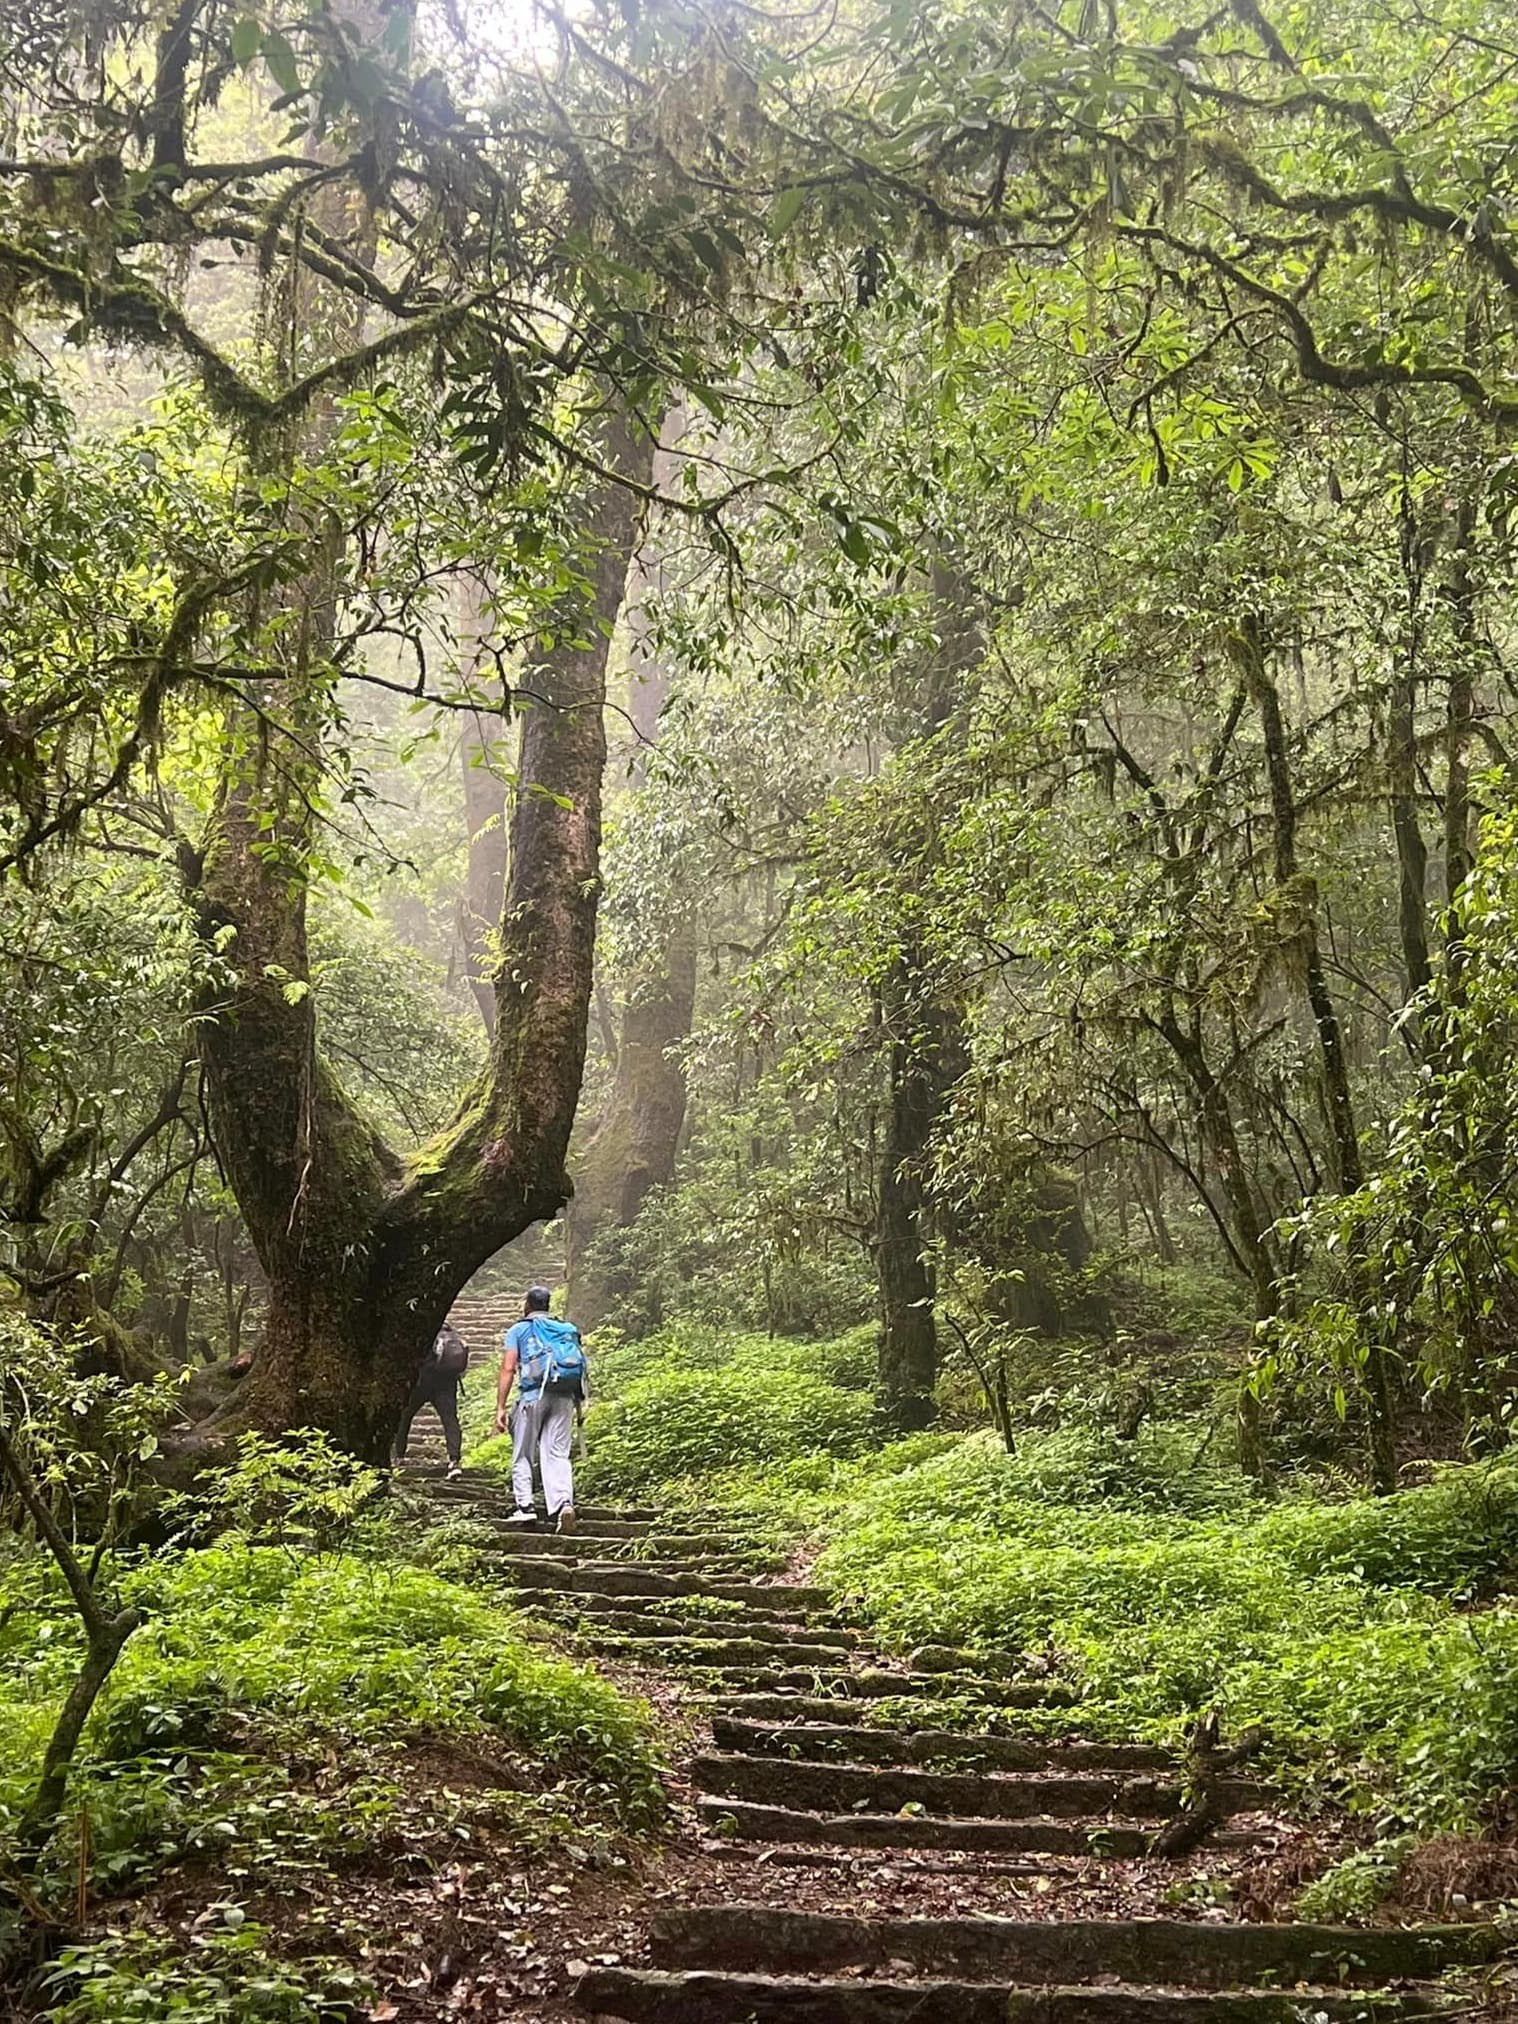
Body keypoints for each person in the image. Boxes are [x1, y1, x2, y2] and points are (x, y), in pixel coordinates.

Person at [494, 1286, 587, 1533]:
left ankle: (525, 1507)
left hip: (533, 1395)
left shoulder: (519, 1329)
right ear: (548, 1305)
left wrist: (501, 1407)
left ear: (527, 1304)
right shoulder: (563, 1329)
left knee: (523, 1452)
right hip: (565, 1396)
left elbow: (508, 1368)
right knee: (557, 1453)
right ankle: (562, 1504)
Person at [392, 1321, 470, 1479]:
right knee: (450, 1421)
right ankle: (454, 1461)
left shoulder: (421, 1333)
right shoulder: (453, 1335)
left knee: (404, 1417)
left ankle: (398, 1458)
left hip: (420, 1383)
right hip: (447, 1384)